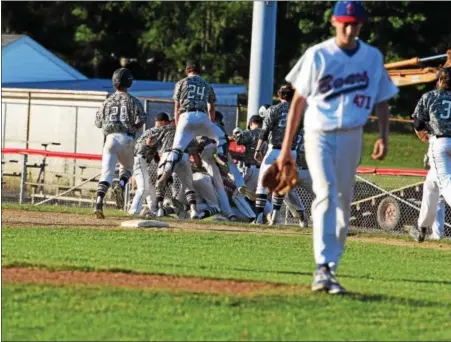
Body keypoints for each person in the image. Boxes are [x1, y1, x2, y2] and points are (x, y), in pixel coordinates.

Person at [274, 1, 399, 294]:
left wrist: (383, 135)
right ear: (333, 21)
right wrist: (285, 148)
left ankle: (331, 266)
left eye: (354, 23)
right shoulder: (317, 54)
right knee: (326, 193)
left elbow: (381, 99)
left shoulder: (371, 57)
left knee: (343, 202)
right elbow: (298, 102)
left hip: (352, 134)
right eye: (344, 21)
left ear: (361, 25)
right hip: (319, 133)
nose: (349, 27)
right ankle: (323, 266)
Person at [159, 60, 228, 188]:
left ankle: (167, 169)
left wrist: (178, 125)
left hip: (185, 116)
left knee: (176, 150)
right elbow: (211, 107)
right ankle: (220, 154)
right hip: (202, 116)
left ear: (187, 70)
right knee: (221, 137)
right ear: (199, 71)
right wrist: (210, 124)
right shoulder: (206, 84)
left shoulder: (181, 82)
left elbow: (177, 107)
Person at [94, 68, 147, 219]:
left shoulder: (107, 101)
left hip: (110, 139)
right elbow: (142, 117)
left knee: (106, 174)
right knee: (128, 169)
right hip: (127, 138)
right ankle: (122, 185)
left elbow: (98, 123)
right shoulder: (132, 100)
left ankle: (98, 203)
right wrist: (135, 128)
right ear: (128, 83)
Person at [410, 67, 451, 240]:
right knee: (431, 185)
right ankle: (422, 228)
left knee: (446, 182)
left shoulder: (430, 96)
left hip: (440, 143)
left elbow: (419, 123)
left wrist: (421, 134)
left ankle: (424, 228)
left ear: (440, 80)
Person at [253, 83, 301, 225]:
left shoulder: (273, 109)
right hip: (291, 151)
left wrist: (257, 149)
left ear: (280, 95)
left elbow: (265, 131)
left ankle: (259, 217)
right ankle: (275, 215)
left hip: (275, 150)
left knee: (262, 185)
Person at [128, 112, 171, 218]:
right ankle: (134, 211)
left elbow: (153, 150)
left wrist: (156, 157)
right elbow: (149, 142)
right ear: (161, 122)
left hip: (138, 160)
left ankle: (153, 210)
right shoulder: (158, 130)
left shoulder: (149, 130)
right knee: (144, 188)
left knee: (150, 188)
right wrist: (150, 143)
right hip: (139, 160)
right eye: (167, 122)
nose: (168, 125)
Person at [411, 151, 446, 242]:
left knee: (433, 201)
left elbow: (426, 165)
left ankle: (424, 230)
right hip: (439, 174)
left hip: (441, 174)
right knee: (437, 202)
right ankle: (437, 234)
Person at [233, 114, 264, 196]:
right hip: (263, 170)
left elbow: (237, 140)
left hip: (250, 170)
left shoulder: (250, 133)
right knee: (259, 197)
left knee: (237, 196)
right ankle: (269, 209)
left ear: (251, 123)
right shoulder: (268, 134)